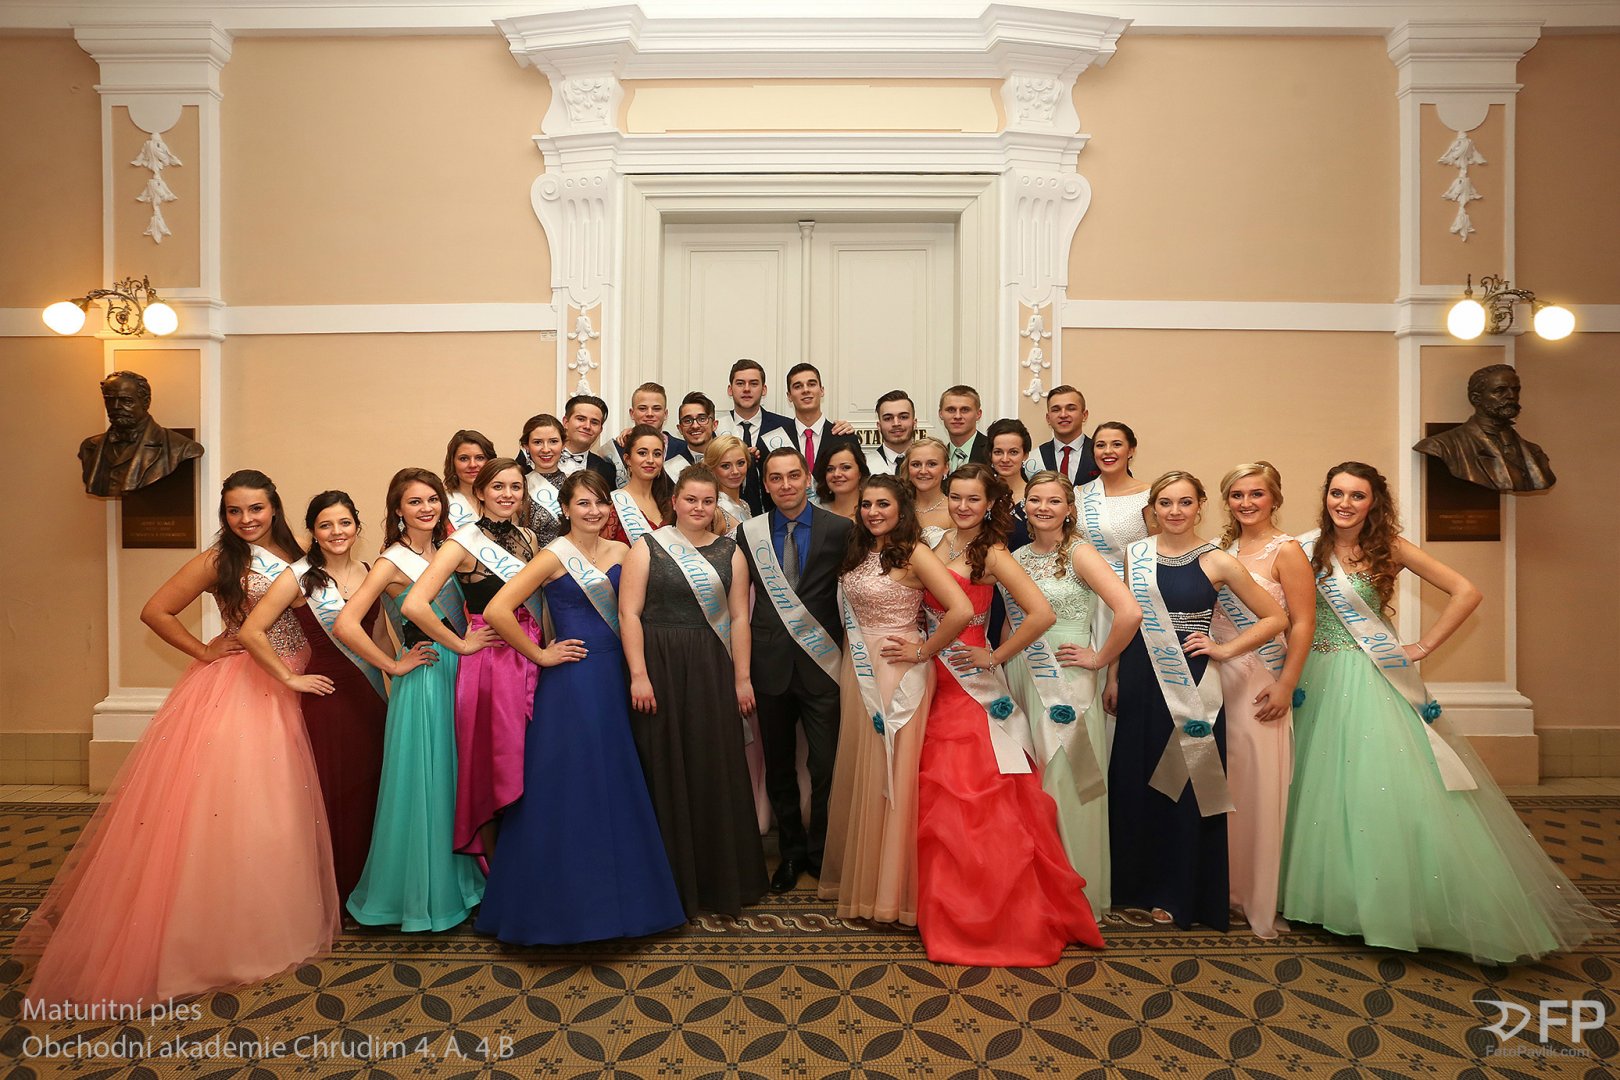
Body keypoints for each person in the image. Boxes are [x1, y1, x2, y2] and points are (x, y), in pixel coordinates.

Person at [18, 470, 337, 1006]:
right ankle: (220, 934)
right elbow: (155, 610)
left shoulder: (297, 553)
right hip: (246, 688)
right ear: (225, 515)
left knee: (285, 807)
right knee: (245, 807)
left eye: (256, 508)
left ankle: (278, 912)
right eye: (234, 511)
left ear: (274, 508)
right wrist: (205, 650)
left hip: (301, 680)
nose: (246, 519)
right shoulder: (219, 560)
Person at [1281, 462, 1605, 962]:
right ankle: (1323, 898)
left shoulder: (1389, 547)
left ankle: (1389, 906)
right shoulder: (1304, 549)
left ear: (1374, 502)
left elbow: (1466, 591)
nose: (1344, 503)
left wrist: (1424, 645)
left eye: (1357, 495)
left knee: (1376, 785)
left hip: (1370, 676)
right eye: (1337, 493)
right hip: (1314, 677)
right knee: (1315, 786)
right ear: (1326, 496)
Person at [474, 470, 687, 944]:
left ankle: (626, 901)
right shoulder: (553, 555)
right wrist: (540, 654)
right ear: (566, 509)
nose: (593, 511)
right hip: (572, 680)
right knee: (570, 784)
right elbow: (496, 611)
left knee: (618, 779)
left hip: (619, 674)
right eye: (583, 503)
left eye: (600, 503)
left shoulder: (626, 552)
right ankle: (558, 907)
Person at [915, 463, 1103, 966]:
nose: (962, 507)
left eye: (973, 499)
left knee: (973, 798)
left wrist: (995, 656)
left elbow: (1041, 614)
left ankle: (987, 915)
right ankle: (940, 905)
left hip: (970, 685)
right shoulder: (934, 542)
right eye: (956, 497)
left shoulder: (993, 553)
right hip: (932, 678)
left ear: (990, 504)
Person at [1108, 471, 1287, 931]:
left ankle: (1179, 890)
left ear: (1200, 506)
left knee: (1186, 783)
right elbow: (1126, 620)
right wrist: (1112, 676)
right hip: (1139, 675)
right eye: (1165, 502)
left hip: (1190, 680)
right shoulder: (1135, 554)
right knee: (1137, 776)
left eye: (1185, 502)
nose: (1174, 511)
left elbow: (1275, 618)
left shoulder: (1218, 561)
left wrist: (1225, 649)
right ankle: (1134, 887)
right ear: (1153, 508)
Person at [337, 468, 487, 932]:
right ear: (398, 510)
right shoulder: (390, 561)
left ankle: (463, 884)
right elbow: (346, 624)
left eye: (433, 499)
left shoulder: (448, 550)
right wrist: (394, 665)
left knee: (455, 780)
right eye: (415, 501)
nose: (426, 508)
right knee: (426, 784)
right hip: (424, 678)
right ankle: (424, 895)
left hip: (460, 671)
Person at [819, 474, 972, 925]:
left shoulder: (914, 552)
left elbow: (961, 610)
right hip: (858, 667)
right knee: (863, 766)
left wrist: (923, 651)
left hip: (896, 671)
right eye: (866, 505)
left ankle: (889, 892)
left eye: (883, 504)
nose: (873, 512)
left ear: (902, 509)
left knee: (892, 772)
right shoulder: (858, 550)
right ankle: (863, 882)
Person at [620, 465, 768, 917]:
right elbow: (629, 614)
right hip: (659, 666)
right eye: (691, 500)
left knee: (712, 764)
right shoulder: (647, 547)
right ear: (675, 502)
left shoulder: (731, 552)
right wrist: (639, 674)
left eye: (707, 501)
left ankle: (718, 880)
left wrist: (742, 678)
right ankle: (668, 881)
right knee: (663, 763)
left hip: (710, 666)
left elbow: (739, 618)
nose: (699, 508)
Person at [240, 490, 396, 906]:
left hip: (370, 699)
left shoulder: (369, 571)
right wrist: (290, 678)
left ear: (357, 526)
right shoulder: (298, 577)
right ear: (312, 531)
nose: (336, 532)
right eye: (325, 525)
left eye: (344, 523)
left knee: (372, 790)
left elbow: (378, 638)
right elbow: (251, 631)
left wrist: (394, 684)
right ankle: (335, 891)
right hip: (328, 699)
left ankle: (369, 886)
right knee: (335, 792)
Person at [1003, 472, 1142, 919]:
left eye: (1053, 501)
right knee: (1033, 782)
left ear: (1069, 509)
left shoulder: (1081, 553)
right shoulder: (1018, 556)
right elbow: (1012, 621)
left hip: (1067, 677)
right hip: (1023, 673)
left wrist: (1100, 658)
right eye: (1035, 500)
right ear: (1025, 506)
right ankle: (1037, 892)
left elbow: (1129, 611)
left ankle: (1074, 898)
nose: (1043, 508)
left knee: (1067, 780)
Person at [405, 458, 540, 865]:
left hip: (529, 650)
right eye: (498, 486)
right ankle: (497, 868)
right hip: (491, 660)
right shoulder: (462, 542)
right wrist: (461, 645)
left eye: (515, 487)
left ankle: (526, 856)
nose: (507, 495)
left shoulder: (529, 537)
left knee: (529, 756)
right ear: (479, 491)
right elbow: (414, 604)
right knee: (494, 759)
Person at [739, 447, 856, 892]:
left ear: (808, 478)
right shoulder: (749, 533)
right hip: (769, 666)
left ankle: (821, 852)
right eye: (775, 478)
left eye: (793, 475)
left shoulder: (840, 529)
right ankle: (789, 853)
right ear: (765, 484)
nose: (785, 485)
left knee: (826, 765)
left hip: (823, 665)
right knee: (780, 766)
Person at [1211, 463, 1314, 939]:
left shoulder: (1286, 550)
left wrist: (1287, 684)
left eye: (1256, 494)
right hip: (1218, 681)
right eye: (1237, 494)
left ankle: (1257, 895)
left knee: (1258, 790)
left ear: (1275, 498)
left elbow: (1303, 622)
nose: (1246, 503)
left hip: (1261, 681)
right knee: (1226, 788)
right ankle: (1226, 888)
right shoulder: (1222, 550)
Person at [1413, 364, 1556, 492]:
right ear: (1476, 398)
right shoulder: (1443, 446)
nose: (1511, 396)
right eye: (1500, 390)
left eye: (1515, 389)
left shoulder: (1535, 452)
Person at [78, 370, 203, 497]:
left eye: (126, 401)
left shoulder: (180, 447)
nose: (115, 406)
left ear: (146, 402)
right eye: (109, 400)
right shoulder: (89, 447)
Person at [715, 358, 793, 515]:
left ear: (764, 390)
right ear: (730, 390)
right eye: (740, 383)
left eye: (753, 383)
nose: (746, 389)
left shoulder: (785, 427)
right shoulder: (716, 428)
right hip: (726, 516)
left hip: (778, 515)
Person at [784, 363, 861, 485]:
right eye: (798, 386)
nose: (806, 390)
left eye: (811, 384)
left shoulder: (845, 438)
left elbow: (858, 483)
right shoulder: (777, 439)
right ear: (789, 396)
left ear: (822, 391)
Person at [612, 381, 693, 484]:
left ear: (665, 414)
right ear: (632, 413)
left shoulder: (684, 449)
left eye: (656, 409)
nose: (649, 414)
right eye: (642, 408)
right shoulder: (617, 449)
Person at [606, 424, 674, 543]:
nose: (650, 460)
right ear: (627, 459)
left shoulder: (669, 503)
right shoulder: (614, 504)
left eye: (657, 454)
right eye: (642, 453)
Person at [1023, 385, 1099, 487]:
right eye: (1056, 410)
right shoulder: (1033, 459)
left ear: (1084, 415)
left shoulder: (1099, 453)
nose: (1063, 415)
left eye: (1071, 409)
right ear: (1048, 418)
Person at [518, 413, 568, 547]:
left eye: (553, 441)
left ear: (563, 444)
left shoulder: (575, 484)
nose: (546, 449)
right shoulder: (518, 487)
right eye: (537, 442)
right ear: (526, 446)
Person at [986, 417, 1032, 550]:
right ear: (990, 455)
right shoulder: (982, 493)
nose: (1005, 459)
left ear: (1025, 455)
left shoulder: (1036, 497)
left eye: (1013, 452)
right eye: (998, 452)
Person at [559, 394, 620, 488]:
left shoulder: (607, 471)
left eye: (594, 422)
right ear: (566, 422)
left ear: (600, 430)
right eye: (581, 419)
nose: (587, 426)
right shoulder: (540, 458)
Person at [442, 429, 495, 530]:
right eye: (464, 458)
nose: (472, 465)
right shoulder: (443, 503)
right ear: (453, 463)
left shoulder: (503, 499)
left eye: (480, 458)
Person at [903, 436, 952, 542]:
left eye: (932, 464)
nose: (923, 471)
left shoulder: (955, 510)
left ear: (946, 468)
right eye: (916, 464)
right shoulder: (899, 508)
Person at [703, 434, 752, 540]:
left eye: (740, 463)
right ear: (712, 469)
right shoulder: (713, 511)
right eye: (726, 466)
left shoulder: (744, 504)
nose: (735, 471)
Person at [812, 440, 870, 521]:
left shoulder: (872, 512)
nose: (836, 474)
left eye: (846, 467)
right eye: (830, 469)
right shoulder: (815, 513)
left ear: (860, 472)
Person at [937, 385, 990, 471]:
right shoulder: (938, 456)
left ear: (978, 414)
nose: (957, 416)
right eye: (951, 410)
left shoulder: (992, 451)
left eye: (965, 410)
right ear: (941, 414)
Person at [865, 390, 917, 474]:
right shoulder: (865, 465)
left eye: (903, 417)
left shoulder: (931, 462)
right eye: (888, 418)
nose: (896, 424)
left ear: (914, 423)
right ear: (879, 426)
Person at [677, 391, 720, 459]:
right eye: (687, 421)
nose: (695, 426)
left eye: (702, 419)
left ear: (714, 425)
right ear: (680, 429)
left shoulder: (731, 459)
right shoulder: (672, 465)